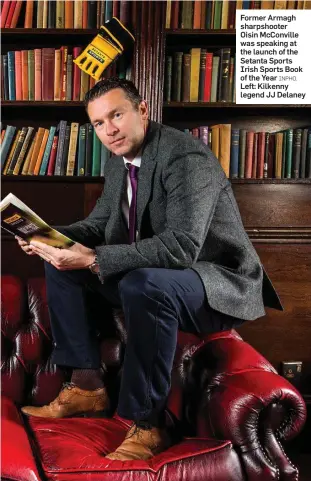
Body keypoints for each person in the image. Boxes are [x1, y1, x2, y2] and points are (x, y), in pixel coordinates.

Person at [17, 77, 282, 461]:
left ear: (142, 111)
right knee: (62, 266)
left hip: (214, 281)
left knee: (144, 284)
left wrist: (92, 258)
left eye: (117, 115)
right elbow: (99, 225)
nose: (109, 130)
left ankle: (148, 425)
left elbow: (182, 247)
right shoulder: (119, 160)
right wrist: (48, 237)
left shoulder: (185, 158)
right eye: (98, 123)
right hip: (157, 277)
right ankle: (86, 387)